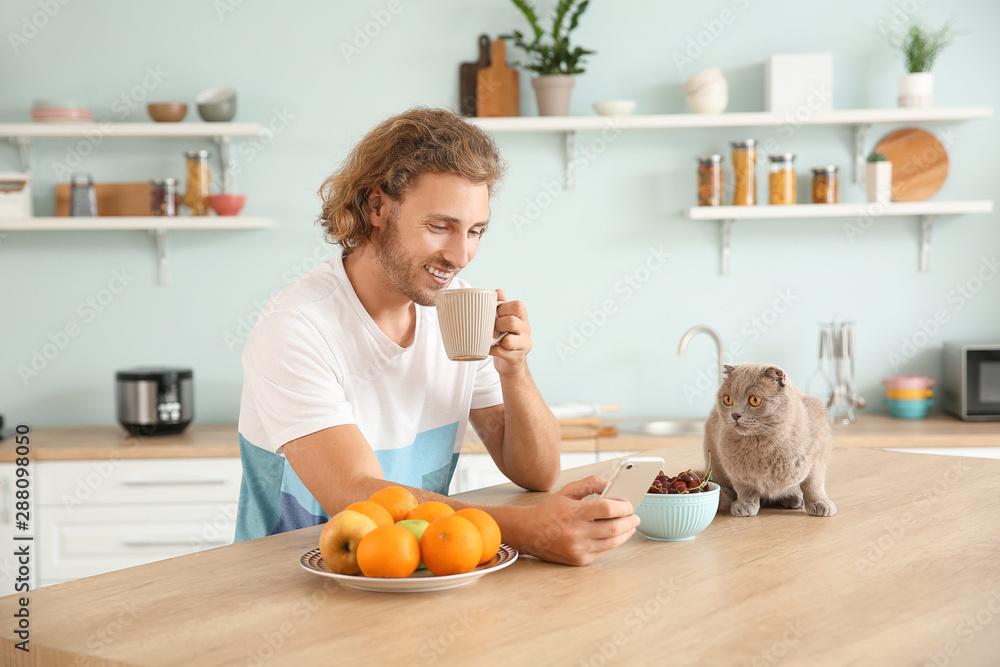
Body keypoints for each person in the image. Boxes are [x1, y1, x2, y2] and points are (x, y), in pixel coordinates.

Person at [234, 107, 638, 565]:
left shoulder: (458, 311)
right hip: (292, 586)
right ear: (377, 207)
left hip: (418, 572)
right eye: (440, 226)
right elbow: (357, 496)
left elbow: (537, 473)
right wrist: (527, 530)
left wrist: (514, 371)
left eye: (475, 231)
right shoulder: (297, 328)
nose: (461, 255)